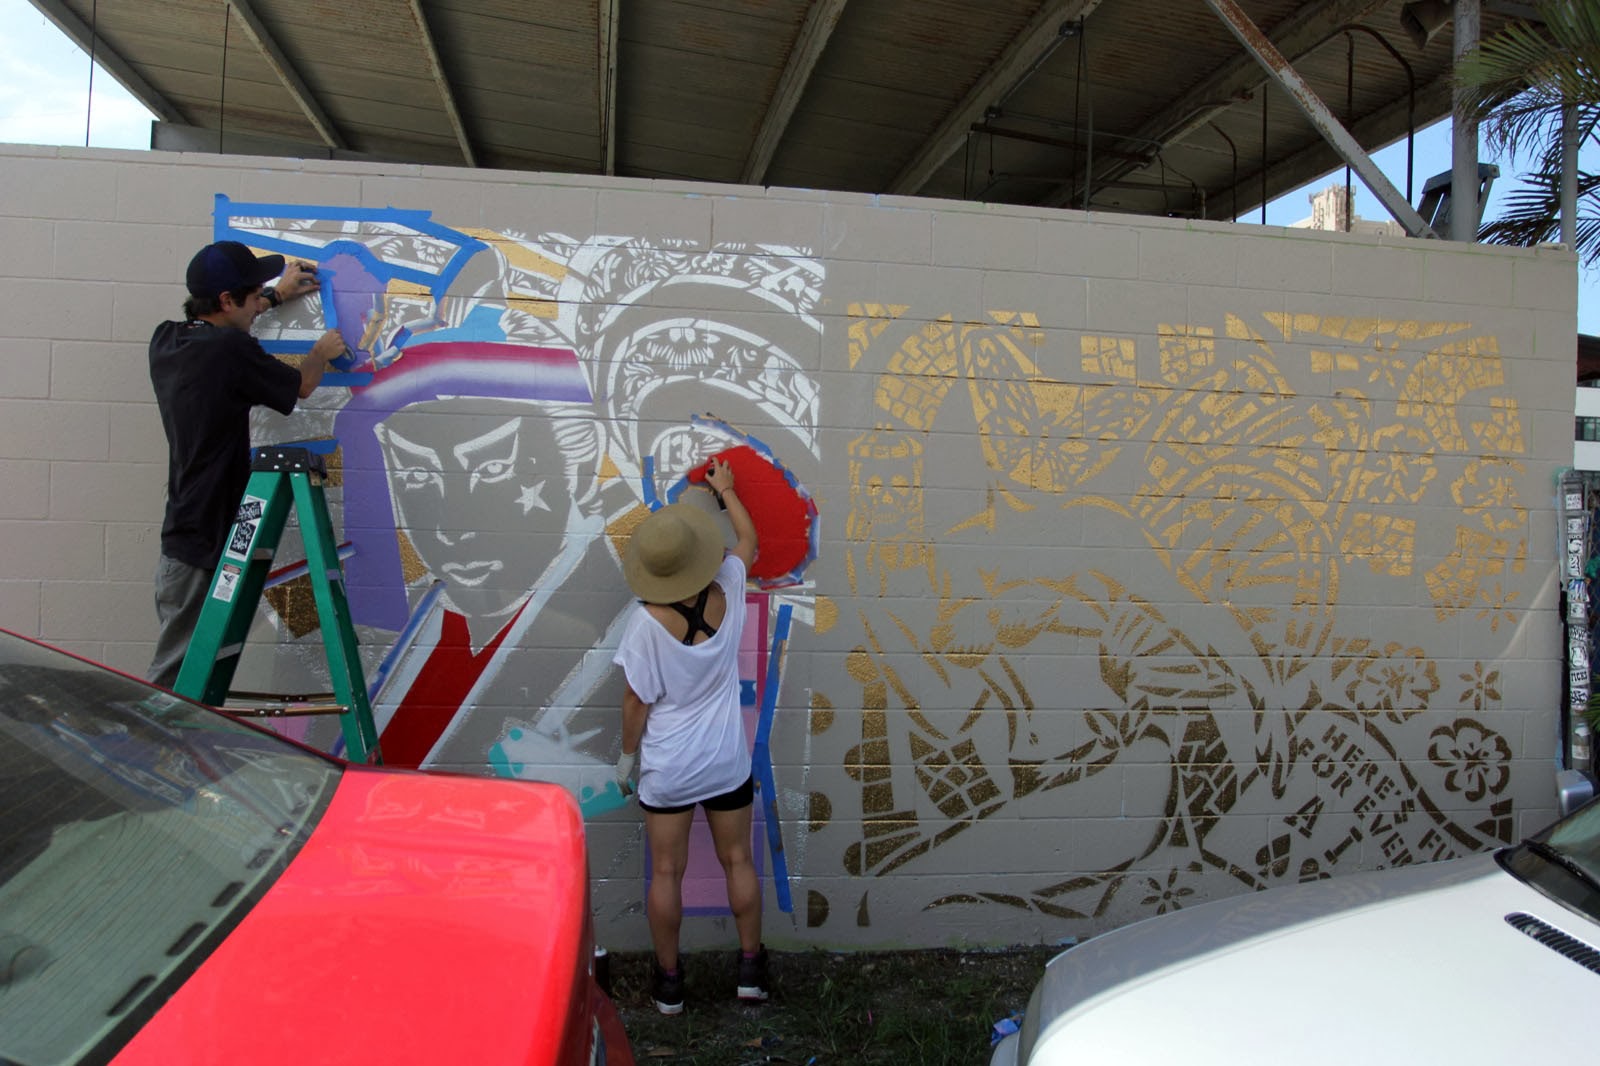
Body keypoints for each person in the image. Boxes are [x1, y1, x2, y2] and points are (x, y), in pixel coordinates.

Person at [146, 240, 346, 688]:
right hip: (206, 539)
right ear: (225, 300)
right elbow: (301, 388)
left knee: (187, 669)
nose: (260, 303)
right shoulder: (229, 351)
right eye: (254, 295)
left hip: (184, 534)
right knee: (173, 677)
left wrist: (277, 296)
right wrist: (320, 354)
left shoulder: (166, 340)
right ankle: (145, 754)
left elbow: (227, 330)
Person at [612, 457, 767, 1015]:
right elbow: (748, 539)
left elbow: (636, 701)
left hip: (669, 768)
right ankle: (750, 973)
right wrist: (725, 491)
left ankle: (670, 984)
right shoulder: (728, 580)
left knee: (666, 873)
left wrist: (626, 762)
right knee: (738, 862)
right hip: (726, 761)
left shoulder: (645, 625)